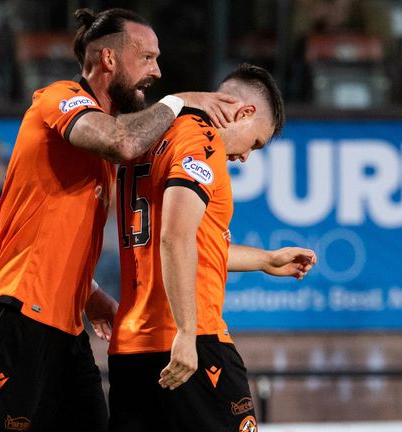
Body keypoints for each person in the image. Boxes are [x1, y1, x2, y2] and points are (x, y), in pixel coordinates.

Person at [0, 7, 241, 432]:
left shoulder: (99, 147)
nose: (157, 71)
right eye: (147, 58)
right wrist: (180, 102)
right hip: (19, 317)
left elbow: (54, 232)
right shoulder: (58, 97)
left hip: (66, 329)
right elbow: (124, 141)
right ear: (108, 58)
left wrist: (90, 296)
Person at [108, 64, 316, 432]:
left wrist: (266, 260)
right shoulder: (201, 140)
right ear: (243, 113)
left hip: (131, 349)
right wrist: (187, 334)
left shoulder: (148, 139)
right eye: (255, 142)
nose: (246, 156)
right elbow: (176, 238)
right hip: (191, 343)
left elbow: (183, 245)